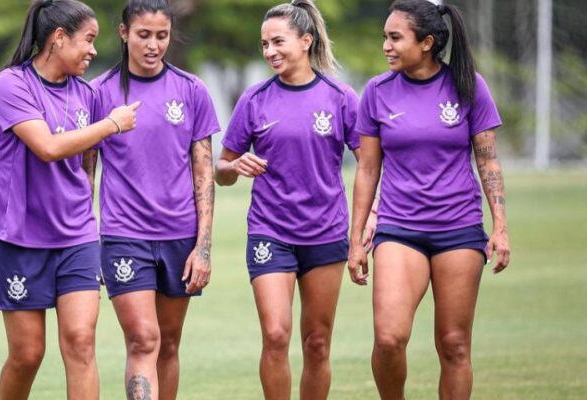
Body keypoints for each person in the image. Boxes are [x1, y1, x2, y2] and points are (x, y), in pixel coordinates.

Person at [346, 1, 511, 398]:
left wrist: (501, 227)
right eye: (385, 36)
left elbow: (488, 160)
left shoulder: (469, 85)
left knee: (454, 344)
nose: (385, 45)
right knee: (389, 338)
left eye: (395, 37)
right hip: (399, 229)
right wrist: (355, 239)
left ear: (427, 42)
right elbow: (367, 170)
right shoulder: (377, 92)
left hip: (459, 230)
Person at [0, 1, 139, 398]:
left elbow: (87, 165)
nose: (93, 50)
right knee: (27, 354)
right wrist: (111, 124)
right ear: (58, 38)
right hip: (18, 238)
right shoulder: (11, 85)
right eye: (87, 40)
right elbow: (48, 148)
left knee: (81, 343)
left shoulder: (87, 94)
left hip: (76, 237)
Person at [215, 1, 360, 398]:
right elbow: (221, 170)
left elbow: (369, 164)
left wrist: (368, 222)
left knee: (317, 342)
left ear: (306, 41)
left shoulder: (340, 97)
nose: (270, 51)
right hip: (270, 232)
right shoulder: (254, 99)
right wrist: (232, 167)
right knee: (276, 335)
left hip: (325, 232)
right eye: (265, 44)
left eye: (278, 42)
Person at [89, 1, 219, 398]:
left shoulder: (192, 90)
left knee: (169, 342)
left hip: (180, 236)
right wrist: (86, 241)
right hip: (124, 235)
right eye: (143, 35)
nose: (153, 45)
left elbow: (204, 171)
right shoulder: (99, 93)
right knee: (143, 339)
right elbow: (85, 174)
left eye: (161, 36)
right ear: (124, 33)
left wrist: (203, 247)